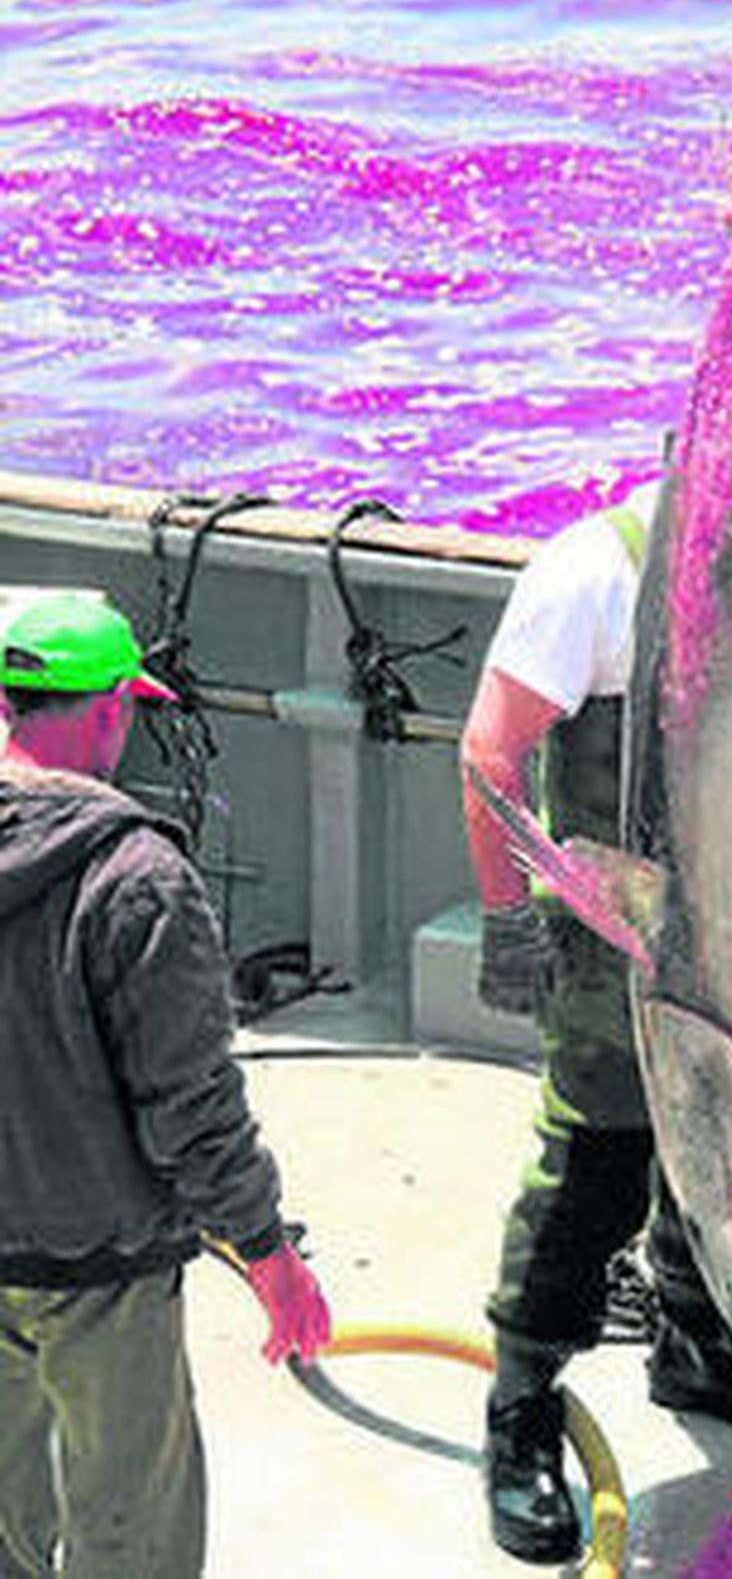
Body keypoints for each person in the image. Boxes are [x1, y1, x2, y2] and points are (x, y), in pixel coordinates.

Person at [460, 479, 732, 1566]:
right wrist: (506, 918)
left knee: (723, 1151)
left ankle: (701, 1344)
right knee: (595, 1165)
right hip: (614, 935)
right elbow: (490, 751)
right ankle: (522, 1408)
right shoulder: (597, 569)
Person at [0, 588, 331, 1579]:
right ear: (113, 709)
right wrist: (269, 1253)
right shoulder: (137, 876)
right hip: (99, 1263)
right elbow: (193, 1109)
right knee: (131, 1536)